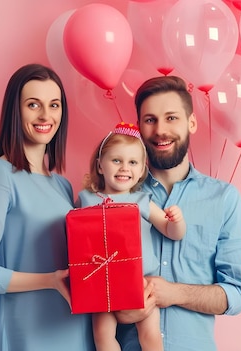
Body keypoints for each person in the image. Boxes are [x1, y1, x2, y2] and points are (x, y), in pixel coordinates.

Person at [0, 63, 94, 351]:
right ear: (15, 110)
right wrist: (49, 280)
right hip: (29, 334)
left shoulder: (62, 186)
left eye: (54, 105)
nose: (46, 115)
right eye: (33, 104)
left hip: (78, 329)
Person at [114, 76, 241, 351]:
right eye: (150, 120)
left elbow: (237, 293)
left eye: (171, 118)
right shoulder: (117, 197)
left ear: (191, 122)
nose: (160, 130)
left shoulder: (224, 199)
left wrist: (174, 293)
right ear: (139, 126)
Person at [77, 122, 186, 351]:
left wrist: (177, 222)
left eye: (133, 162)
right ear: (99, 165)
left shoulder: (141, 201)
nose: (124, 167)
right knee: (102, 336)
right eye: (116, 160)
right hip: (101, 282)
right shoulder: (87, 199)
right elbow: (77, 239)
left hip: (141, 281)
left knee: (151, 337)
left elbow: (170, 231)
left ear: (140, 172)